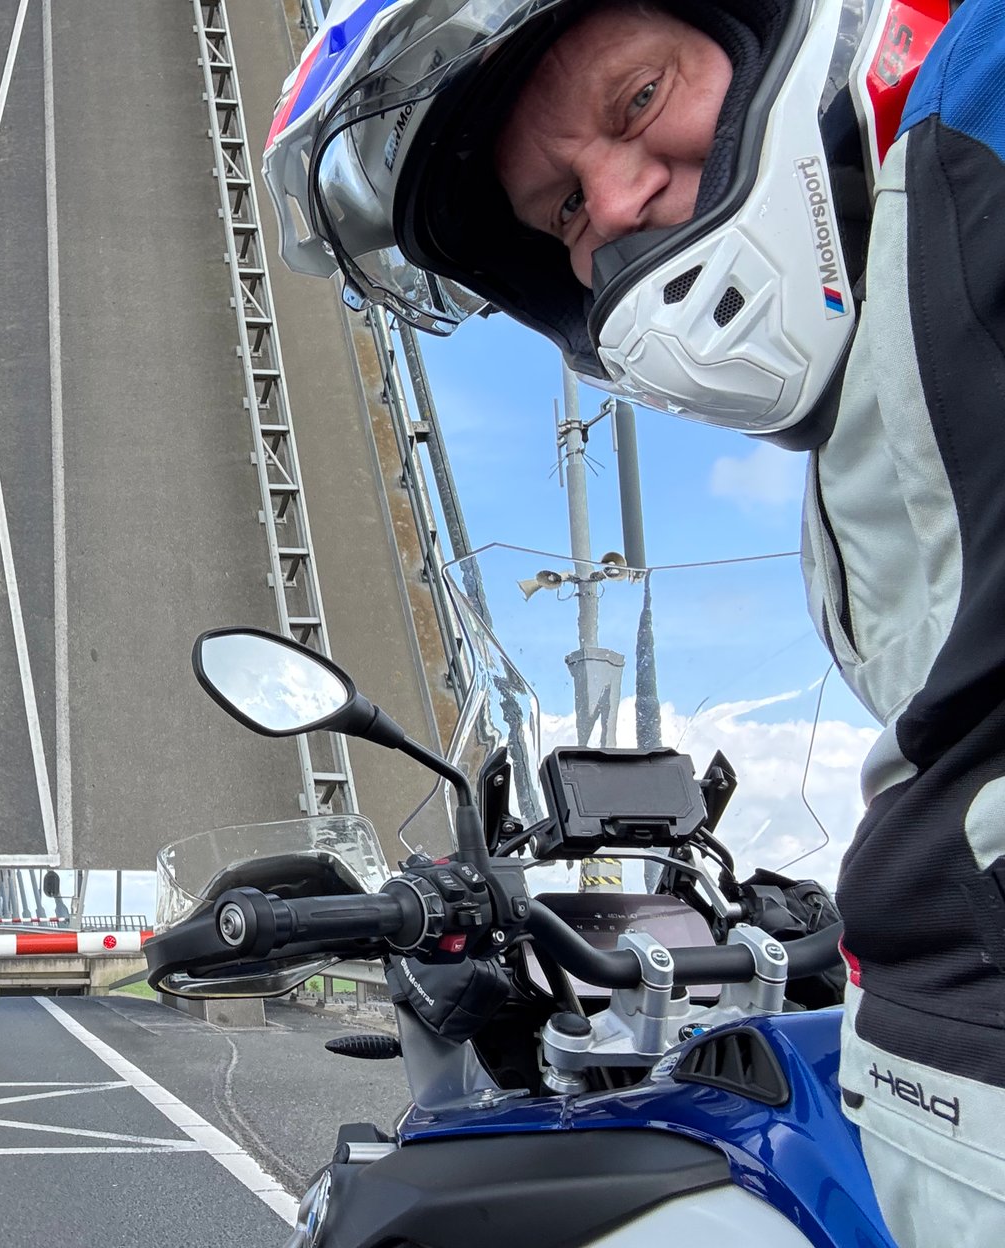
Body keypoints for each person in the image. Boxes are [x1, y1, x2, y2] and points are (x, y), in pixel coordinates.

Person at [263, 0, 1001, 1240]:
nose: (607, 205)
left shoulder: (964, 133)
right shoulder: (862, 436)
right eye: (559, 209)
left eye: (639, 101)